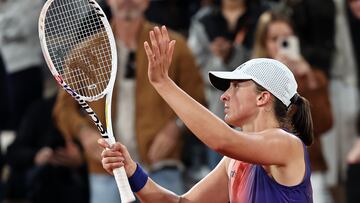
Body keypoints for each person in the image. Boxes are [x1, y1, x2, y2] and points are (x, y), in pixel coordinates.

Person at [99, 26, 313, 202]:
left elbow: (222, 140)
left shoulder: (287, 145)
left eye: (236, 86)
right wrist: (132, 171)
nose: (224, 96)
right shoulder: (233, 161)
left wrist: (163, 83)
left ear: (262, 97)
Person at [53, 0, 205, 202]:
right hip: (106, 168)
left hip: (160, 165)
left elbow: (198, 99)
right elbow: (64, 109)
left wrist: (175, 127)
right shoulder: (84, 53)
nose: (127, 1)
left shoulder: (173, 47)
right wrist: (84, 133)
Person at [251, 10, 333, 203]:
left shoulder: (314, 77)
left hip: (310, 168)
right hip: (266, 173)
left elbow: (325, 124)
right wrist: (273, 79)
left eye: (287, 38)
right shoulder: (250, 82)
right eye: (275, 38)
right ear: (264, 44)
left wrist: (309, 81)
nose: (282, 43)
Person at [4, 94, 89, 203]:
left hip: (79, 190)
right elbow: (13, 152)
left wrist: (82, 161)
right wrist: (36, 156)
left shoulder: (93, 111)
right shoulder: (40, 110)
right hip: (40, 189)